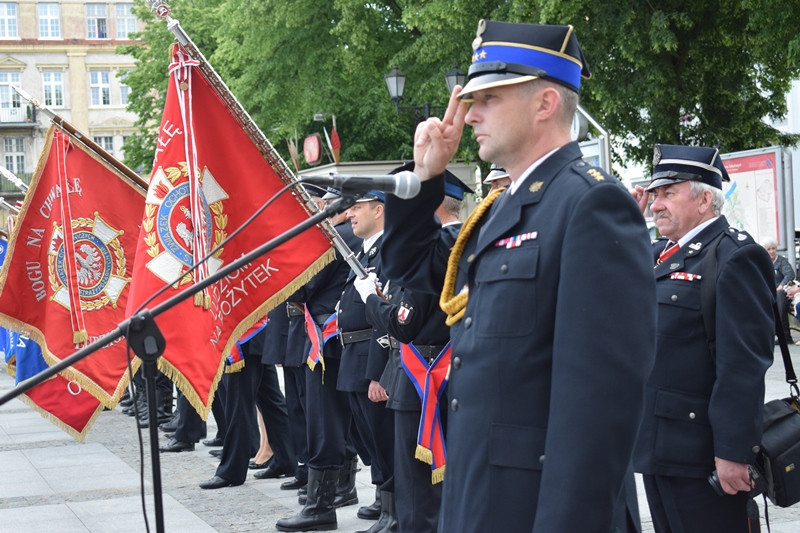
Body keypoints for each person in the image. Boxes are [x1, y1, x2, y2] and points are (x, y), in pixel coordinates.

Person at [381, 19, 656, 532]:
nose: (470, 113)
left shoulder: (590, 203)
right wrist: (426, 176)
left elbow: (598, 408)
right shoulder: (501, 208)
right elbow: (406, 270)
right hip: (479, 494)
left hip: (536, 506)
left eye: (489, 98)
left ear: (545, 103)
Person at [632, 144, 775, 532]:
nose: (656, 204)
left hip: (703, 456)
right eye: (655, 194)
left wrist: (732, 451)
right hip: (658, 445)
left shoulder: (733, 256)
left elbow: (742, 365)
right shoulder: (659, 254)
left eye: (668, 193)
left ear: (704, 200)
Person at [360, 170, 469, 533]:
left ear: (430, 207)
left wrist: (371, 299)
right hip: (455, 375)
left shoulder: (433, 251)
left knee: (417, 489)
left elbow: (404, 324)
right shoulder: (470, 242)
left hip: (421, 379)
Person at [337, 191, 395, 533]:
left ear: (379, 210)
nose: (350, 214)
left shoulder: (389, 249)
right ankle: (383, 500)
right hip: (354, 355)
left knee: (383, 439)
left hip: (372, 355)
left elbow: (383, 316)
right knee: (368, 439)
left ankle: (393, 511)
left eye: (357, 208)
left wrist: (378, 372)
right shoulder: (364, 250)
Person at [762, 237, 796, 344]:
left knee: (779, 295)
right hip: (768, 292)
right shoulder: (763, 263)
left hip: (782, 291)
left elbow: (790, 274)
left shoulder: (782, 261)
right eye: (768, 249)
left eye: (773, 248)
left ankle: (784, 336)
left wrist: (780, 286)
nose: (771, 251)